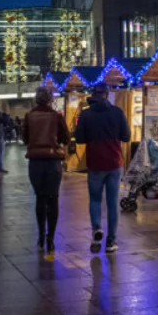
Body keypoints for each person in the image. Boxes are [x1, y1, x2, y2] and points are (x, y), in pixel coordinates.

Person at [75, 83, 130, 254]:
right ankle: (111, 241)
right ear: (107, 94)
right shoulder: (117, 112)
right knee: (113, 202)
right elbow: (126, 136)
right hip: (114, 162)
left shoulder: (86, 114)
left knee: (95, 199)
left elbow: (79, 139)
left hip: (95, 163)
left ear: (93, 94)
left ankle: (97, 228)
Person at [23, 87, 69, 252]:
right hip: (52, 161)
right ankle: (51, 238)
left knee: (40, 198)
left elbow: (25, 138)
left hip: (35, 161)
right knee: (53, 198)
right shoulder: (56, 117)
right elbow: (66, 137)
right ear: (50, 100)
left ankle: (41, 236)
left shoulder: (29, 116)